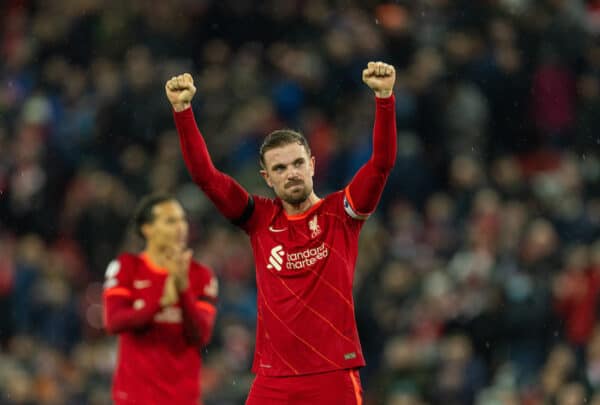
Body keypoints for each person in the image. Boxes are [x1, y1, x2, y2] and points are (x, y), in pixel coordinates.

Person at [166, 61, 397, 404]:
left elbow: (381, 163)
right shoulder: (259, 219)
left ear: (312, 165)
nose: (291, 173)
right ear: (266, 177)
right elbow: (206, 177)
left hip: (332, 374)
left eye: (297, 163)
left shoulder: (341, 213)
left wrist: (384, 98)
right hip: (273, 378)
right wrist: (182, 111)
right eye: (280, 168)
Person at [103, 194, 218, 405]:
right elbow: (114, 322)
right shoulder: (127, 267)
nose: (181, 226)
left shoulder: (201, 275)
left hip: (182, 397)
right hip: (136, 397)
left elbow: (200, 336)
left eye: (182, 219)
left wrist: (182, 291)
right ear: (147, 229)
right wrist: (160, 302)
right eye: (170, 221)